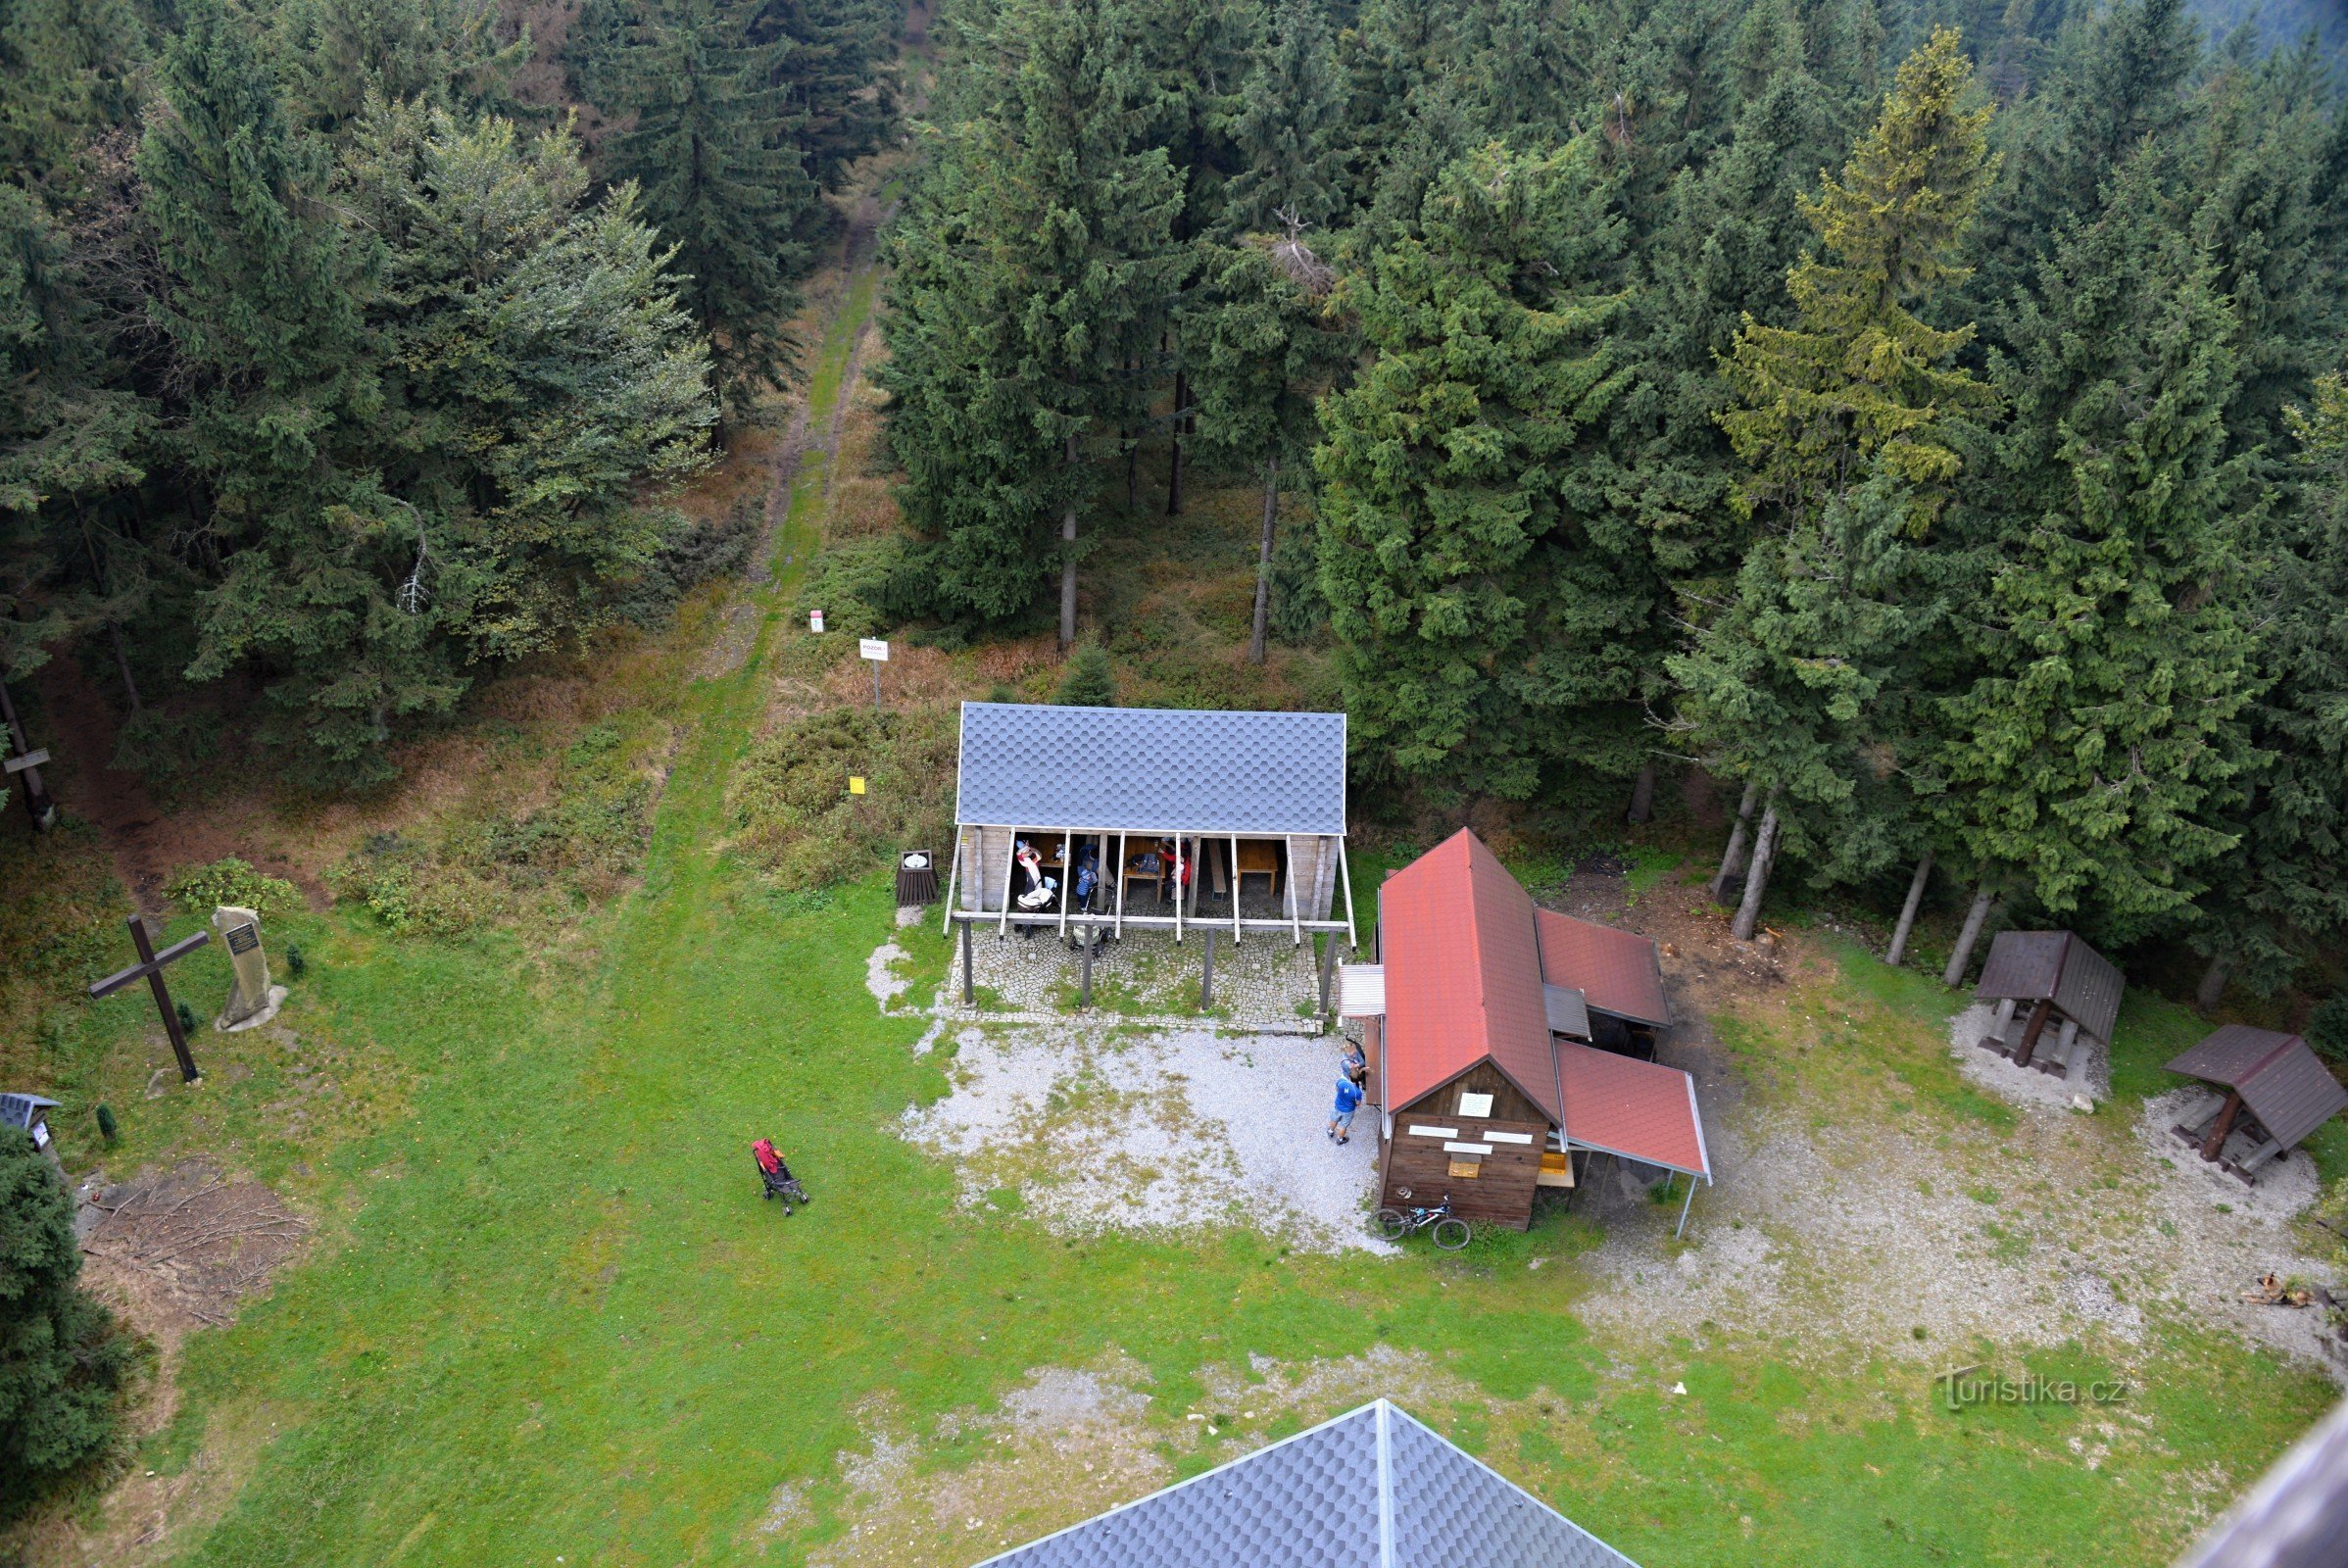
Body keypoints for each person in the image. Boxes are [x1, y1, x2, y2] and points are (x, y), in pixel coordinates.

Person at [1328, 1074, 1363, 1145]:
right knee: (1343, 1126)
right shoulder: (1357, 1092)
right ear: (1358, 1081)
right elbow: (1358, 1103)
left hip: (1338, 1106)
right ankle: (1340, 1139)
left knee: (1334, 1119)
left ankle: (1330, 1131)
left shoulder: (1341, 1082)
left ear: (1349, 1077)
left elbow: (1337, 1089)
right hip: (1348, 1110)